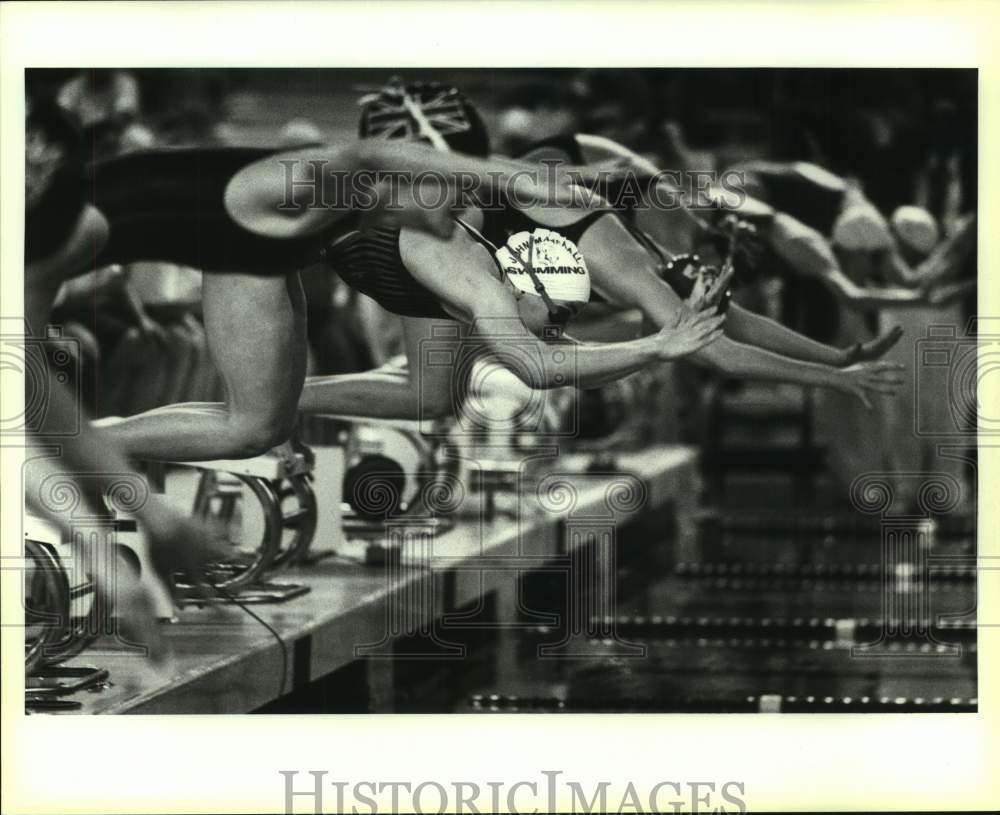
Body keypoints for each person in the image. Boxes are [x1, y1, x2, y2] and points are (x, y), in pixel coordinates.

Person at [297, 82, 906, 424]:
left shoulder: (614, 244)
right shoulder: (623, 221)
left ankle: (286, 398)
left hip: (520, 224)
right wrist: (832, 366)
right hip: (473, 221)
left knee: (433, 396)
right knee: (447, 378)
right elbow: (712, 336)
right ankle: (277, 396)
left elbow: (716, 334)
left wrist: (836, 363)